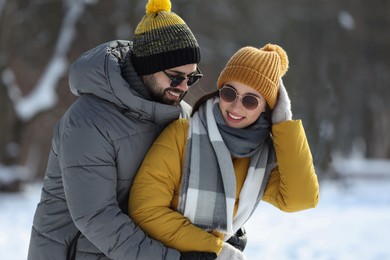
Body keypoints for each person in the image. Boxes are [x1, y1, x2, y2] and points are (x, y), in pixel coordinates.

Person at [27, 0, 220, 259]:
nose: (184, 87)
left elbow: (199, 187)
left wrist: (223, 229)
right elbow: (96, 216)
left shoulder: (182, 114)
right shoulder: (88, 122)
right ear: (146, 68)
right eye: (175, 76)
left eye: (192, 77)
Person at [129, 43, 320, 259]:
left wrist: (284, 123)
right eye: (230, 93)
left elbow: (300, 199)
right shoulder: (183, 134)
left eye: (250, 100)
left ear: (268, 108)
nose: (236, 107)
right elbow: (145, 210)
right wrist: (216, 250)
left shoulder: (263, 159)